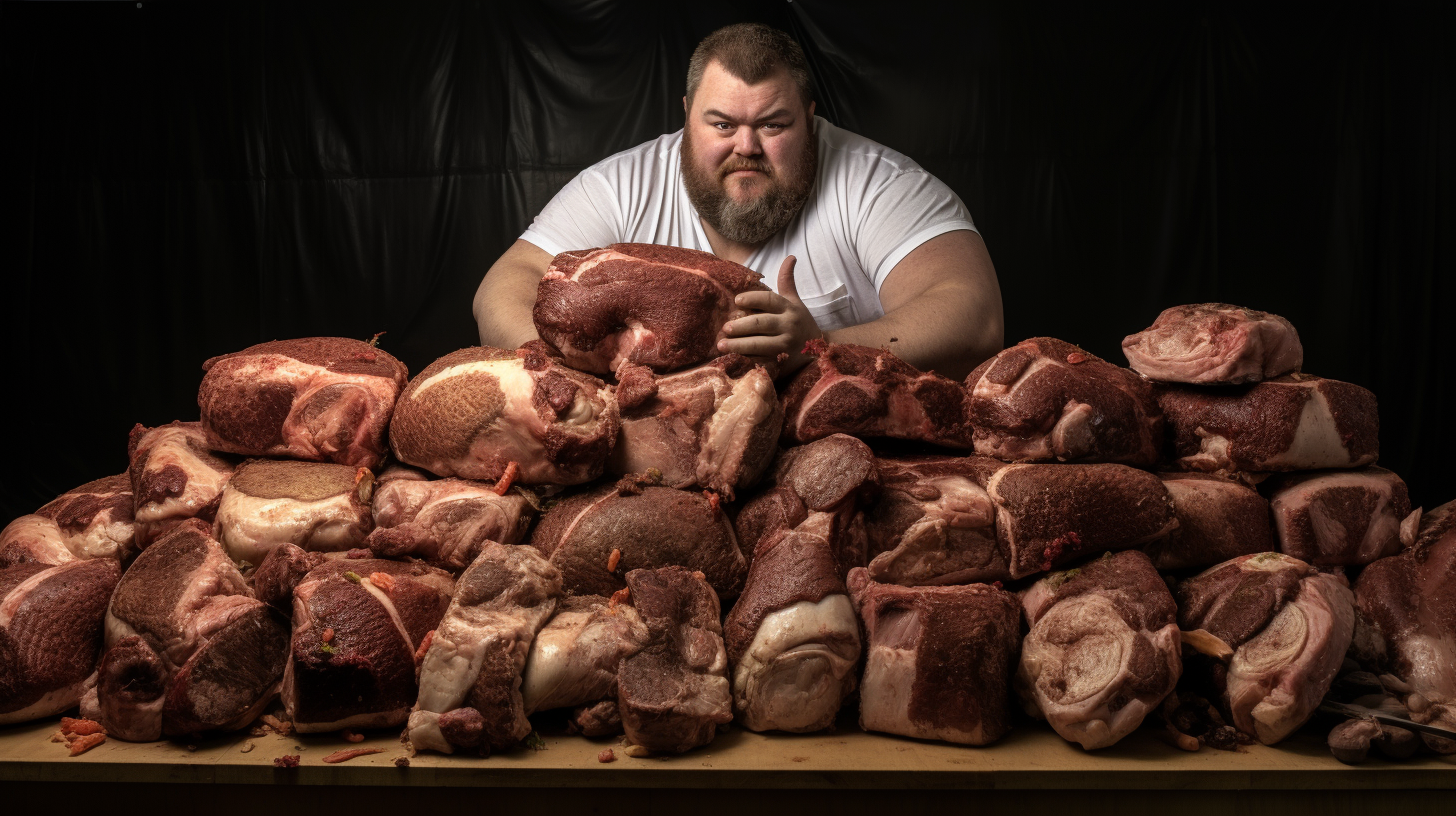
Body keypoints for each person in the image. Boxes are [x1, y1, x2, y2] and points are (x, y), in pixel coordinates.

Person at [474, 23, 1002, 380]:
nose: (746, 147)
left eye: (773, 125)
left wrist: (822, 345)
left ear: (810, 116)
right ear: (687, 113)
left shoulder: (878, 184)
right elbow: (504, 286)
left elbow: (974, 317)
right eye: (722, 125)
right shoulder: (622, 184)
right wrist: (572, 376)